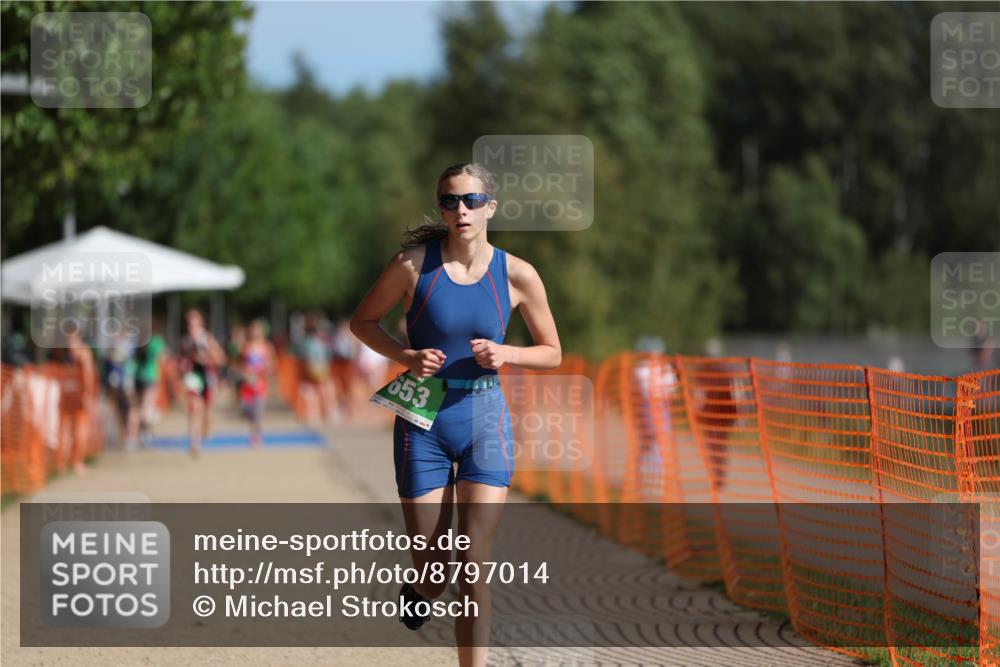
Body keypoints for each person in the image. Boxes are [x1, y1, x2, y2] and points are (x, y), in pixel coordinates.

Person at [350, 162, 561, 667]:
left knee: (473, 563)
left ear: (491, 206)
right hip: (422, 418)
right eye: (450, 201)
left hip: (485, 417)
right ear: (441, 207)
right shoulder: (411, 266)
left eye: (470, 201)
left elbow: (553, 351)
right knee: (433, 562)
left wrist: (508, 354)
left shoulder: (517, 274)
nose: (460, 211)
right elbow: (362, 322)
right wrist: (404, 356)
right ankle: (423, 587)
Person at [179, 309, 226, 458]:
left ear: (201, 323)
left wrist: (207, 357)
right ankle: (194, 443)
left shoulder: (207, 338)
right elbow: (181, 361)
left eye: (194, 323)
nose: (191, 326)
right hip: (193, 377)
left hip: (207, 376)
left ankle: (204, 429)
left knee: (206, 413)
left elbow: (220, 359)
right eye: (189, 323)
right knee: (194, 409)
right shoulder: (185, 341)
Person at [239, 318, 274, 448]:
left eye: (258, 329)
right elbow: (241, 363)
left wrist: (264, 370)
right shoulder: (246, 346)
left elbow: (271, 364)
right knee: (247, 410)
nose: (255, 332)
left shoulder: (267, 347)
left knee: (258, 410)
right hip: (248, 383)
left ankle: (256, 436)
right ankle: (252, 429)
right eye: (253, 329)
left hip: (261, 383)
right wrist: (245, 372)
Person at [133, 318, 168, 446]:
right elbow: (163, 358)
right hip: (151, 376)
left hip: (138, 376)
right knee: (146, 407)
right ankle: (143, 434)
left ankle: (136, 434)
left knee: (138, 406)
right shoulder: (157, 341)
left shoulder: (139, 340)